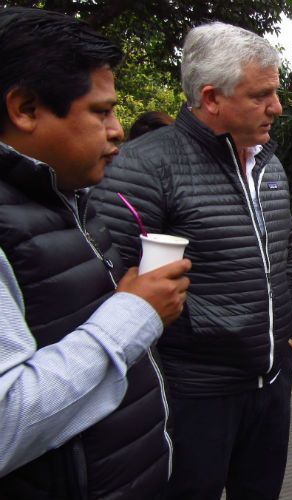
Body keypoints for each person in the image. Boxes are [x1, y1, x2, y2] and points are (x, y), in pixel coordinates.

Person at [91, 22, 292, 500]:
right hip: (194, 396)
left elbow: (286, 251)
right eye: (261, 95)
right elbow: (108, 283)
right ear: (211, 98)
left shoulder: (268, 161)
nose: (277, 107)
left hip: (270, 383)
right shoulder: (143, 167)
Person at [0, 7, 191, 499]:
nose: (117, 130)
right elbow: (7, 422)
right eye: (101, 111)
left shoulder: (66, 197)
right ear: (24, 109)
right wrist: (136, 313)